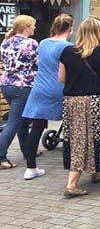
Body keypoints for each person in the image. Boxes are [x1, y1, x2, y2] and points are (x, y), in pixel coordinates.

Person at [59, 17, 100, 198]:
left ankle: (98, 171)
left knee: (78, 138)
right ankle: (72, 184)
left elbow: (62, 78)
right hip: (94, 101)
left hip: (71, 101)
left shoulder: (67, 51)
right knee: (93, 138)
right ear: (99, 32)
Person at [22, 14, 74, 180]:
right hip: (60, 88)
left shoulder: (43, 43)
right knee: (72, 126)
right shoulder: (69, 47)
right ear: (70, 29)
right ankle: (73, 165)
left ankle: (30, 168)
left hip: (40, 88)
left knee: (36, 128)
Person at [0, 15, 38, 170]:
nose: (34, 28)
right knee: (14, 122)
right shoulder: (31, 43)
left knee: (21, 120)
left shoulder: (5, 42)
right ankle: (1, 156)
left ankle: (27, 150)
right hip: (23, 86)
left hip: (6, 84)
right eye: (33, 25)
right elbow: (38, 64)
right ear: (26, 27)